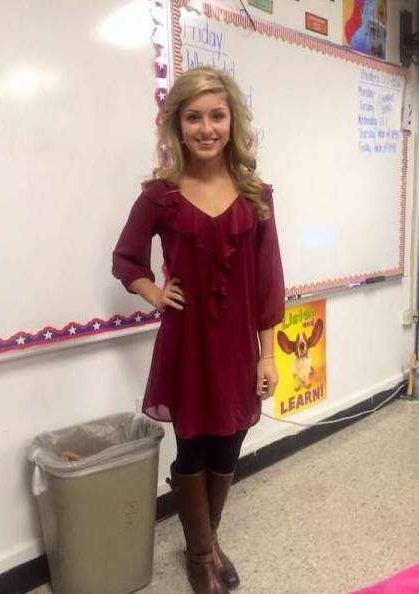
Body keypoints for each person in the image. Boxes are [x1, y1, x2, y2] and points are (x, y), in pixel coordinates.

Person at [112, 66, 285, 594]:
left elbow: (269, 283)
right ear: (177, 126)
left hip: (238, 349)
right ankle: (199, 554)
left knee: (228, 446)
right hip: (186, 347)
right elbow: (126, 259)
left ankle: (207, 543)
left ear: (233, 122)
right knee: (193, 449)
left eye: (216, 115)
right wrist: (154, 292)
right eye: (193, 117)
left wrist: (267, 354)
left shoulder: (256, 195)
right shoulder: (160, 196)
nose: (206, 128)